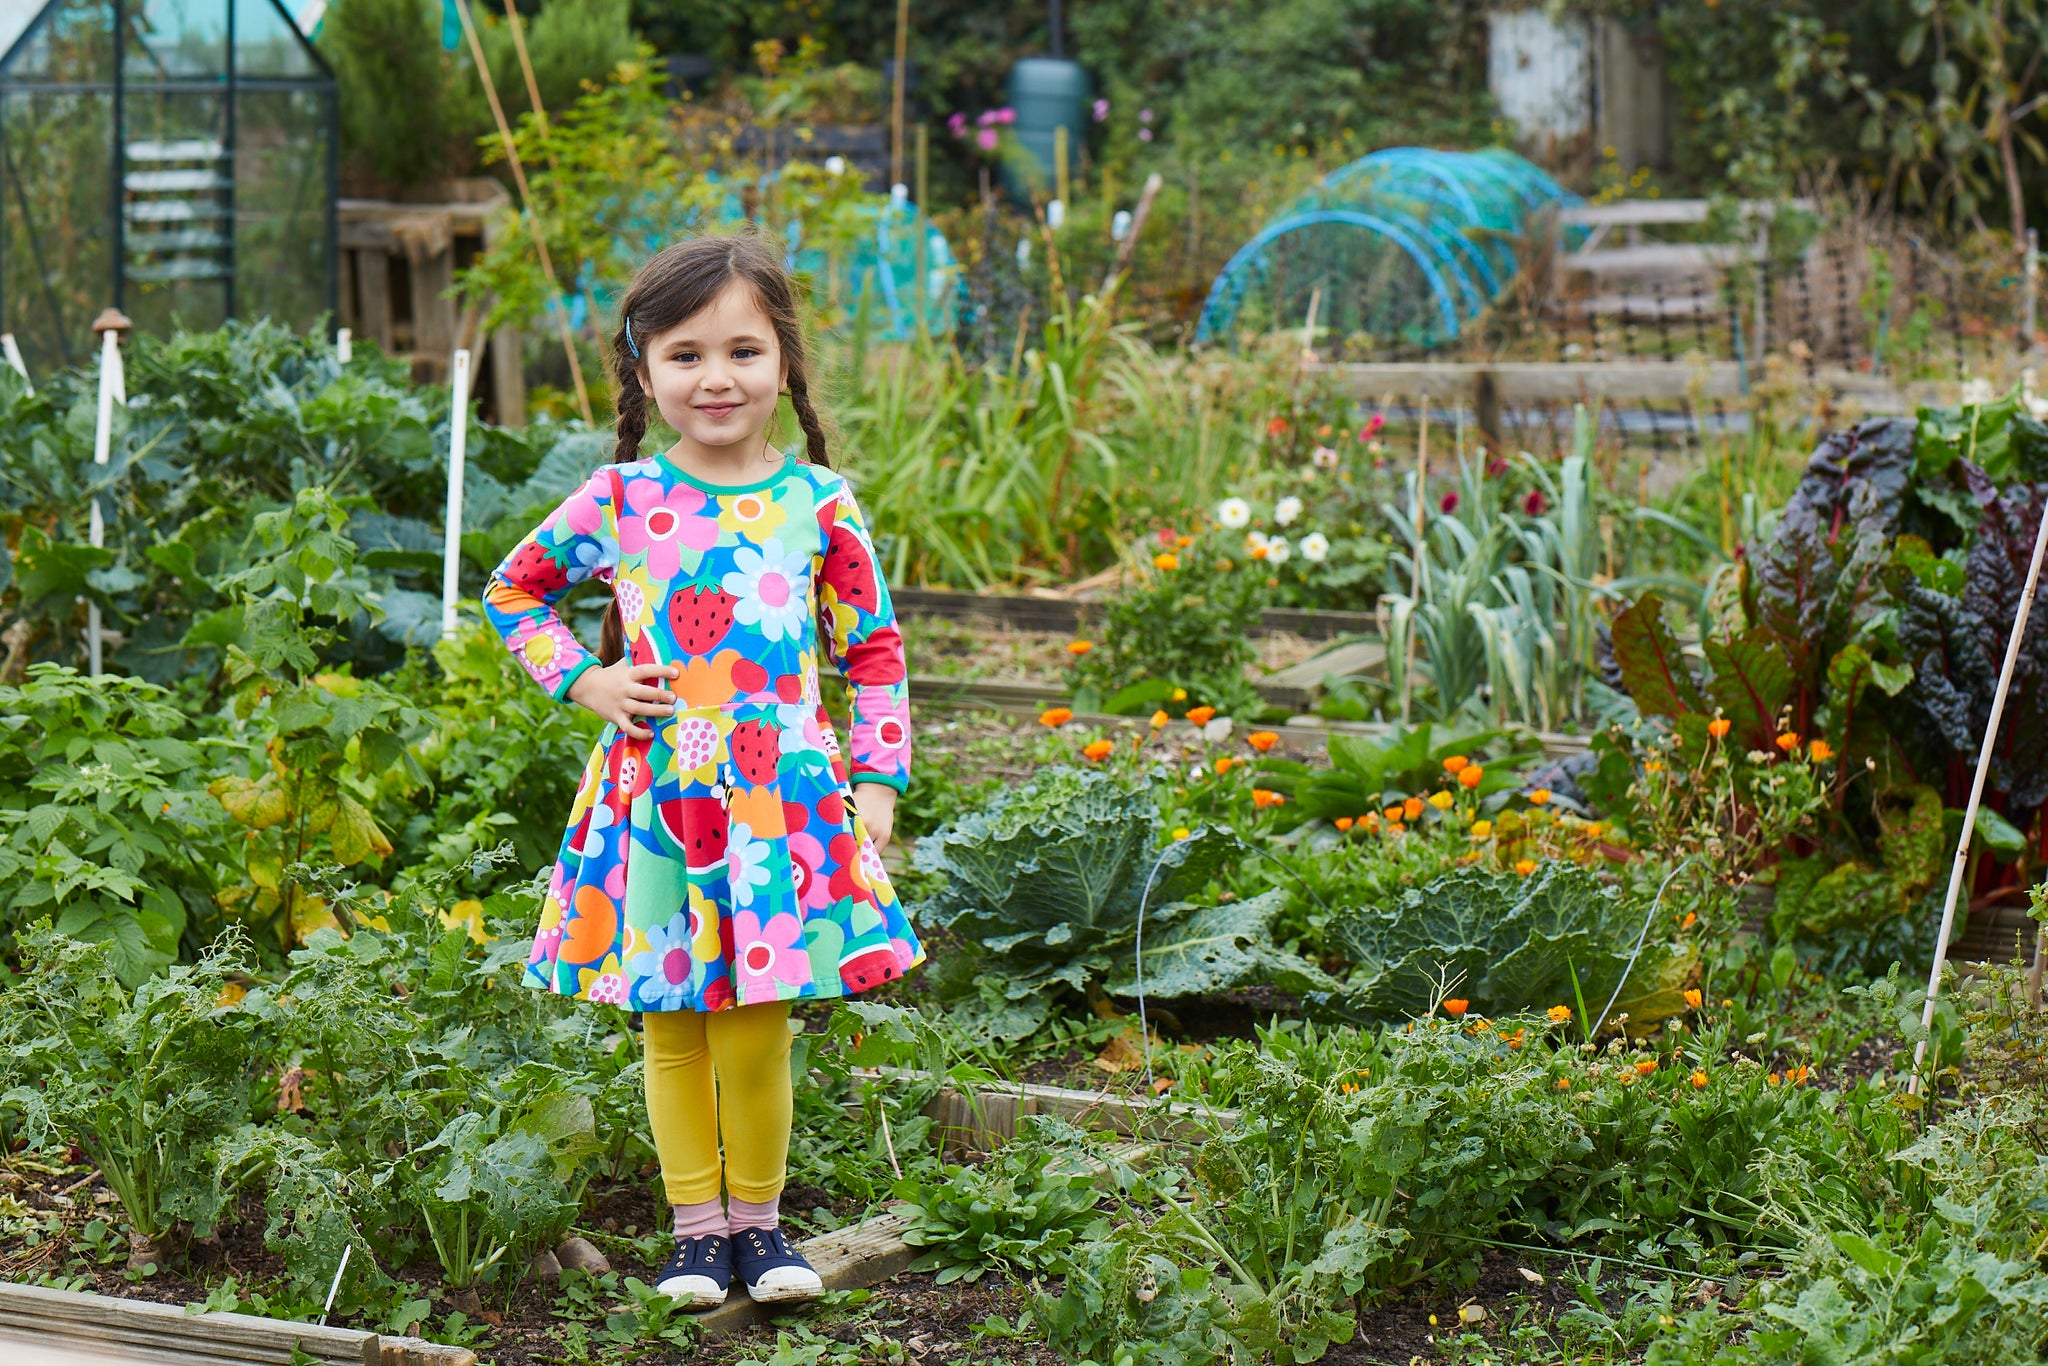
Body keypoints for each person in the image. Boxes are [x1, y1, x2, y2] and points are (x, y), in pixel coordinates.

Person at [483, 231, 919, 1309]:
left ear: (785, 363)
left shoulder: (820, 502)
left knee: (758, 1021)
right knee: (672, 1018)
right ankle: (693, 1232)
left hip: (784, 802)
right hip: (658, 805)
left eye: (741, 351)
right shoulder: (623, 498)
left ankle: (762, 1228)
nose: (714, 377)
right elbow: (513, 590)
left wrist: (876, 787)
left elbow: (871, 651)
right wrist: (584, 682)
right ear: (643, 372)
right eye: (683, 355)